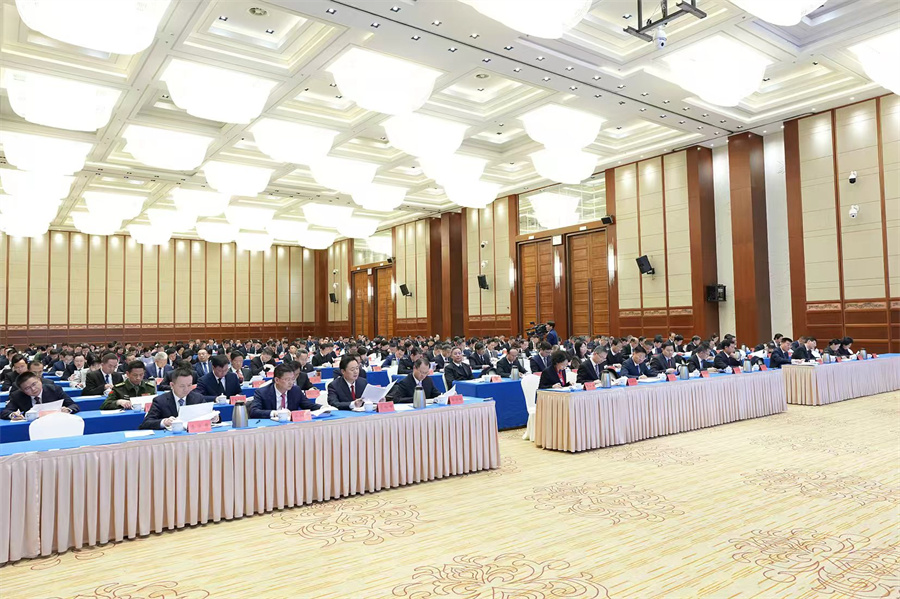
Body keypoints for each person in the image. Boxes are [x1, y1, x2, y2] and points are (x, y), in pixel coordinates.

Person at [139, 368, 220, 430]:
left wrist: (215, 418)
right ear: (172, 385)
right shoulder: (160, 401)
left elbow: (213, 416)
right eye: (182, 386)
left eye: (189, 385)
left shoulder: (198, 398)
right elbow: (146, 423)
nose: (186, 389)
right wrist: (164, 422)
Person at [249, 364, 323, 419]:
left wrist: (323, 408)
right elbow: (254, 411)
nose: (291, 382)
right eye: (287, 379)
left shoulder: (295, 390)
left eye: (293, 379)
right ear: (277, 380)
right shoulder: (262, 392)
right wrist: (275, 413)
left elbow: (309, 405)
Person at [1, 371, 80, 420]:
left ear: (39, 380)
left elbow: (73, 405)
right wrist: (14, 416)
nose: (33, 389)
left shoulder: (54, 389)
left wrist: (67, 410)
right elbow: (5, 412)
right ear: (22, 390)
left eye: (34, 384)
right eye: (27, 388)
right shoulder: (17, 396)